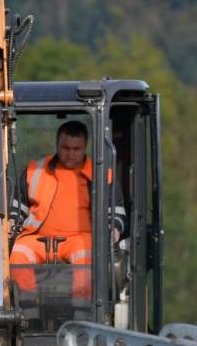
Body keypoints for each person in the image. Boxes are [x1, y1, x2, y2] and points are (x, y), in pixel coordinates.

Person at [9, 120, 122, 298]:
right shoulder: (35, 170)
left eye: (76, 149)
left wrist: (114, 228)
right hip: (39, 238)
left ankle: (83, 312)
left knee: (87, 255)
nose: (70, 154)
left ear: (86, 147)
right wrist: (10, 223)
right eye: (65, 148)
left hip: (79, 239)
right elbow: (18, 206)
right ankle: (26, 311)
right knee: (18, 254)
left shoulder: (100, 174)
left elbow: (115, 211)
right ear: (57, 145)